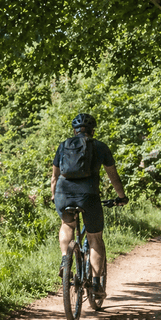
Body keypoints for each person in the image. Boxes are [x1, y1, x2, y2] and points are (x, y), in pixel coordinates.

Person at [51, 113, 128, 296]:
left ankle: (65, 260)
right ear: (93, 130)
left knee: (67, 224)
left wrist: (55, 197)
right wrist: (121, 196)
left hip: (63, 193)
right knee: (95, 239)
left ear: (74, 130)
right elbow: (113, 176)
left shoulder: (64, 145)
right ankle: (94, 284)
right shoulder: (100, 147)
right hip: (88, 195)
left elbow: (54, 177)